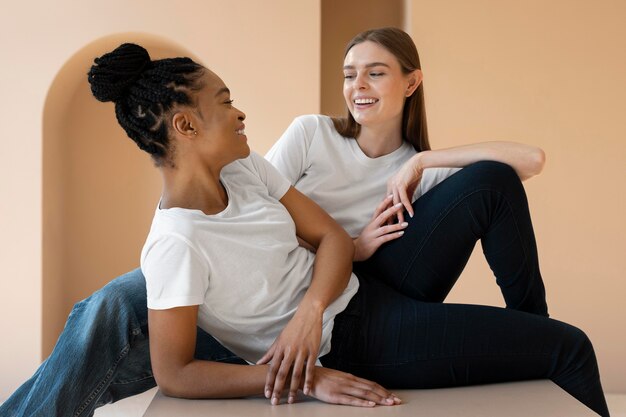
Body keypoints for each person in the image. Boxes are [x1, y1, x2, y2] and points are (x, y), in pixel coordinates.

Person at [0, 31, 610, 417]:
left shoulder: (246, 171)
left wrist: (311, 307)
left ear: (410, 83)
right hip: (355, 335)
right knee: (115, 303)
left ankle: (531, 340)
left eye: (376, 72)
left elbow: (331, 238)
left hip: (355, 297)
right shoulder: (179, 241)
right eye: (225, 103)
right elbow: (175, 372)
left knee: (495, 188)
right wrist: (306, 374)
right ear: (185, 127)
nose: (241, 113)